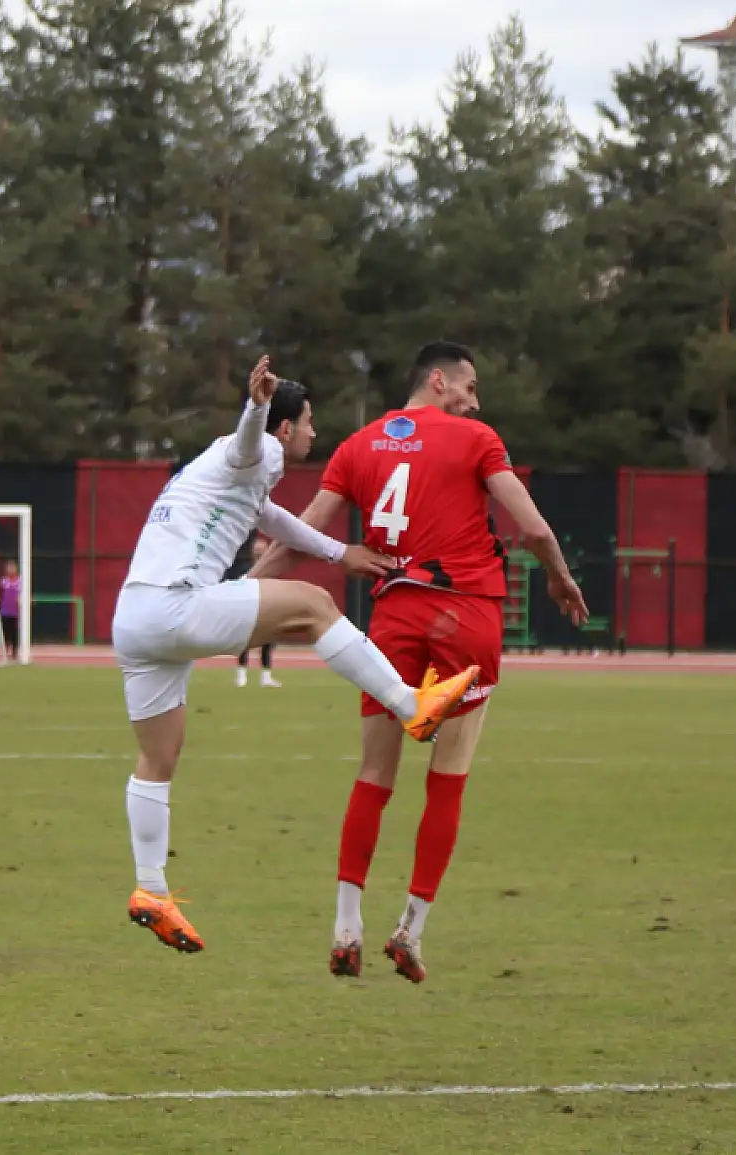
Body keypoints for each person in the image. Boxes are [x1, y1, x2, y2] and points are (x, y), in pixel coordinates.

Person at [112, 356, 481, 954]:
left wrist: (341, 552)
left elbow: (274, 519)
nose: (315, 432)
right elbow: (247, 446)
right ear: (287, 429)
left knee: (158, 757)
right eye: (309, 422)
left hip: (133, 621)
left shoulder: (222, 474)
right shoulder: (256, 450)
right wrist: (258, 406)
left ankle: (150, 890)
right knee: (312, 605)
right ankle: (410, 704)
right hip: (176, 604)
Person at [253, 340, 588, 984]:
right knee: (449, 776)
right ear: (440, 381)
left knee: (375, 774)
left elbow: (297, 537)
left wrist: (241, 592)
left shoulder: (357, 447)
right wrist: (558, 578)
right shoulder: (476, 439)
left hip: (394, 616)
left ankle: (345, 926)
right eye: (471, 386)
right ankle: (410, 928)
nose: (476, 400)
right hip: (467, 612)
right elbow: (536, 530)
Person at [228, 537, 278, 687]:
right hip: (249, 608)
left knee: (267, 643)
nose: (259, 552)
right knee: (245, 642)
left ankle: (266, 677)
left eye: (262, 549)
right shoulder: (245, 568)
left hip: (266, 608)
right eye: (257, 549)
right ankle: (242, 676)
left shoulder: (272, 568)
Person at [0, 560, 22, 660]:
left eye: (12, 568)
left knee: (14, 631)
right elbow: (0, 594)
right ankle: (5, 650)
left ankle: (15, 651)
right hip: (5, 610)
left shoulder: (20, 581)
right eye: (8, 568)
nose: (10, 570)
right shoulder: (3, 581)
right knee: (5, 631)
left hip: (16, 611)